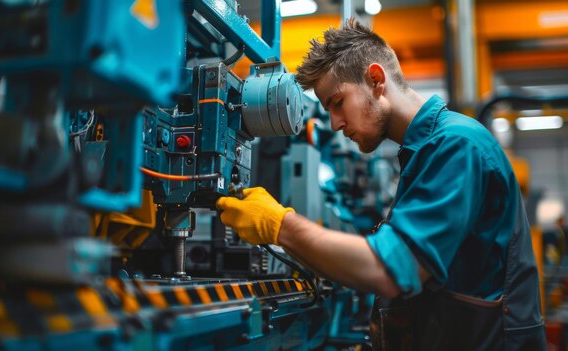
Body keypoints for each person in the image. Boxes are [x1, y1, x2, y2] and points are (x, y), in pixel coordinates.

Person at [216, 18, 545, 350]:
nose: (335, 123)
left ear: (375, 79)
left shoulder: (457, 145)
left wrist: (280, 225)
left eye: (337, 102)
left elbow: (391, 270)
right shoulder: (425, 151)